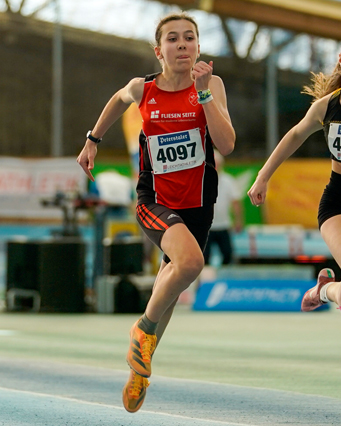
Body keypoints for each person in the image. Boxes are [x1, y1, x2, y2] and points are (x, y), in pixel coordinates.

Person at [77, 12, 235, 413]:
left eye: (189, 38)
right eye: (173, 39)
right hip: (156, 201)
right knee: (191, 262)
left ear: (198, 47)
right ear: (158, 50)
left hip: (198, 203)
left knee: (172, 283)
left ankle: (139, 370)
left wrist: (203, 95)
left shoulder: (211, 85)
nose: (182, 45)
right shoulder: (142, 88)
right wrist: (94, 138)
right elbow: (117, 99)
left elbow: (226, 144)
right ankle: (141, 330)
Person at [248, 53, 341, 313]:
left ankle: (323, 289)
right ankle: (324, 290)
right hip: (337, 204)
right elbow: (295, 135)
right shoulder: (326, 106)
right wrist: (262, 176)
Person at [204, 150, 243, 266]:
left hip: (224, 225)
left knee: (228, 255)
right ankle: (206, 280)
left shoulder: (228, 181)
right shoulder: (202, 181)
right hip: (206, 227)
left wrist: (238, 220)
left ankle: (225, 279)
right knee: (204, 257)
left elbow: (235, 202)